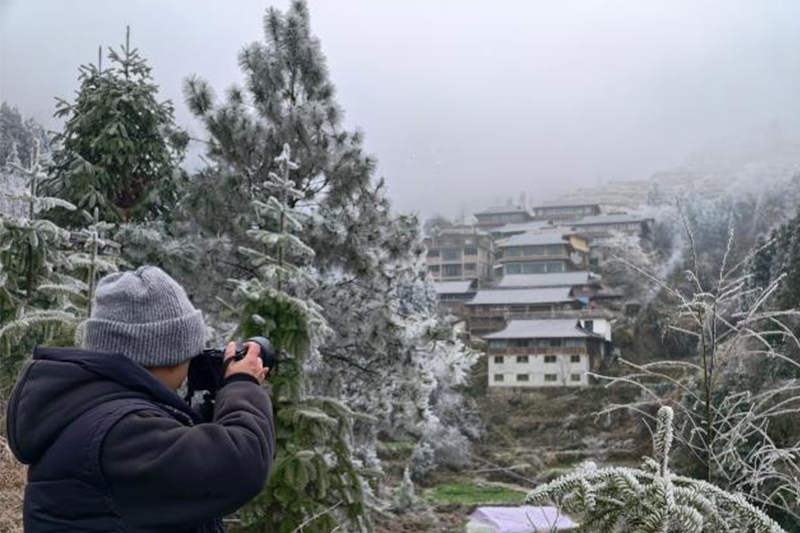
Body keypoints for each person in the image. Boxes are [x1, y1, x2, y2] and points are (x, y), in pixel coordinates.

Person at [6, 266, 275, 532]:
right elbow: (243, 463)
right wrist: (242, 383)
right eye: (190, 355)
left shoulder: (86, 412)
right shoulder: (119, 432)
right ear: (165, 357)